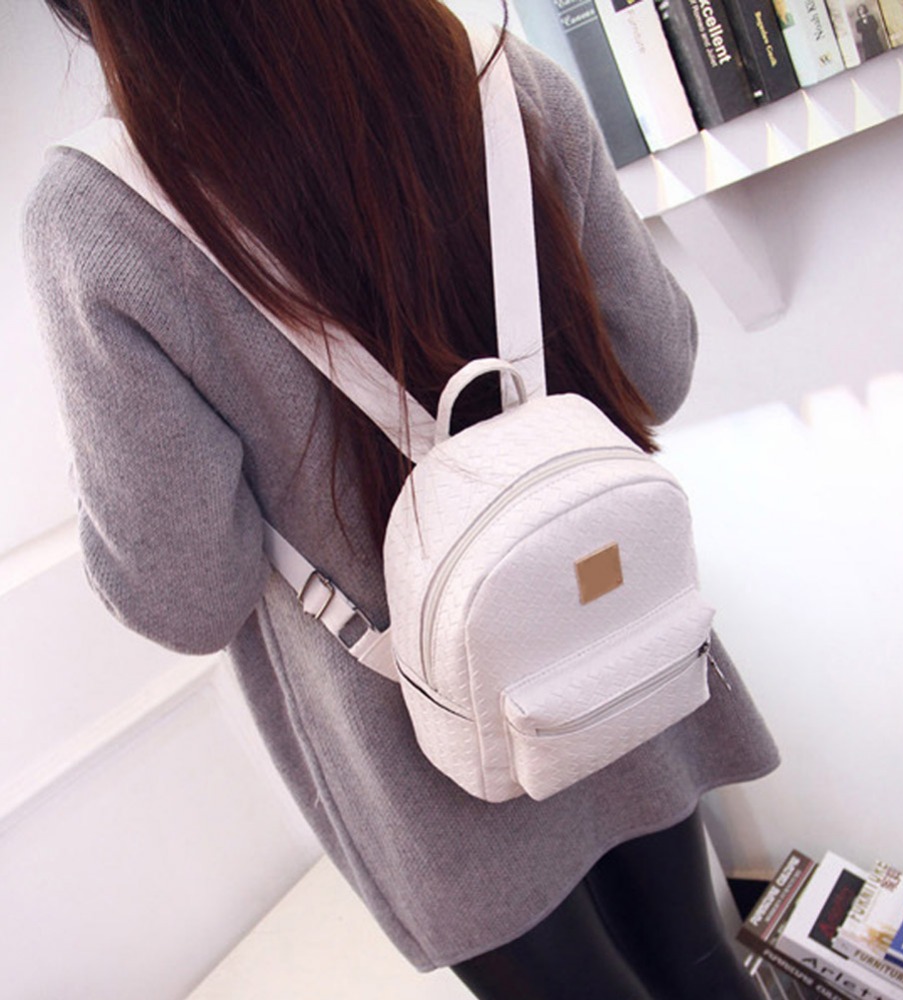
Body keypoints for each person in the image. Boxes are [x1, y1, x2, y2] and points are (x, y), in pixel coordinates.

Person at [24, 1, 779, 996]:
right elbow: (656, 364)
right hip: (606, 642)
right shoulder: (500, 75)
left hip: (422, 758)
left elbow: (185, 595)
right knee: (702, 966)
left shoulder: (101, 213)